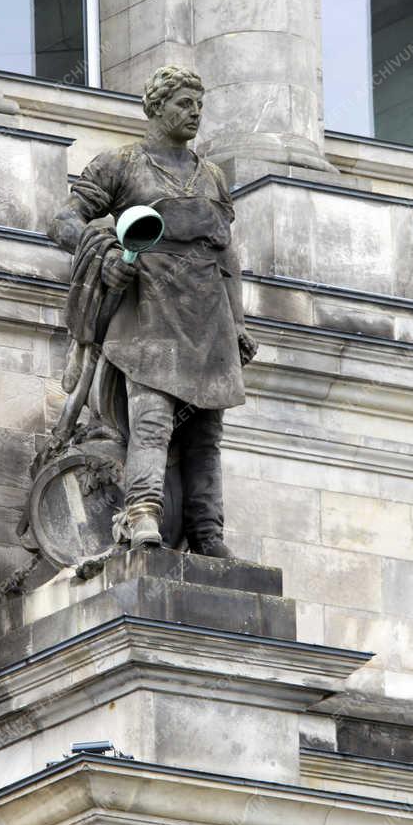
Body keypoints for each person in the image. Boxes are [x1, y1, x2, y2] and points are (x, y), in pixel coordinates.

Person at [49, 65, 257, 553]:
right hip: (148, 311)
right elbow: (63, 221)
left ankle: (208, 532)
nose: (195, 113)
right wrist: (102, 258)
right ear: (157, 107)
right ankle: (141, 512)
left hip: (207, 318)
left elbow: (226, 254)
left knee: (207, 432)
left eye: (199, 105)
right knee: (151, 420)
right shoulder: (121, 164)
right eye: (185, 103)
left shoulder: (212, 177)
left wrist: (239, 322)